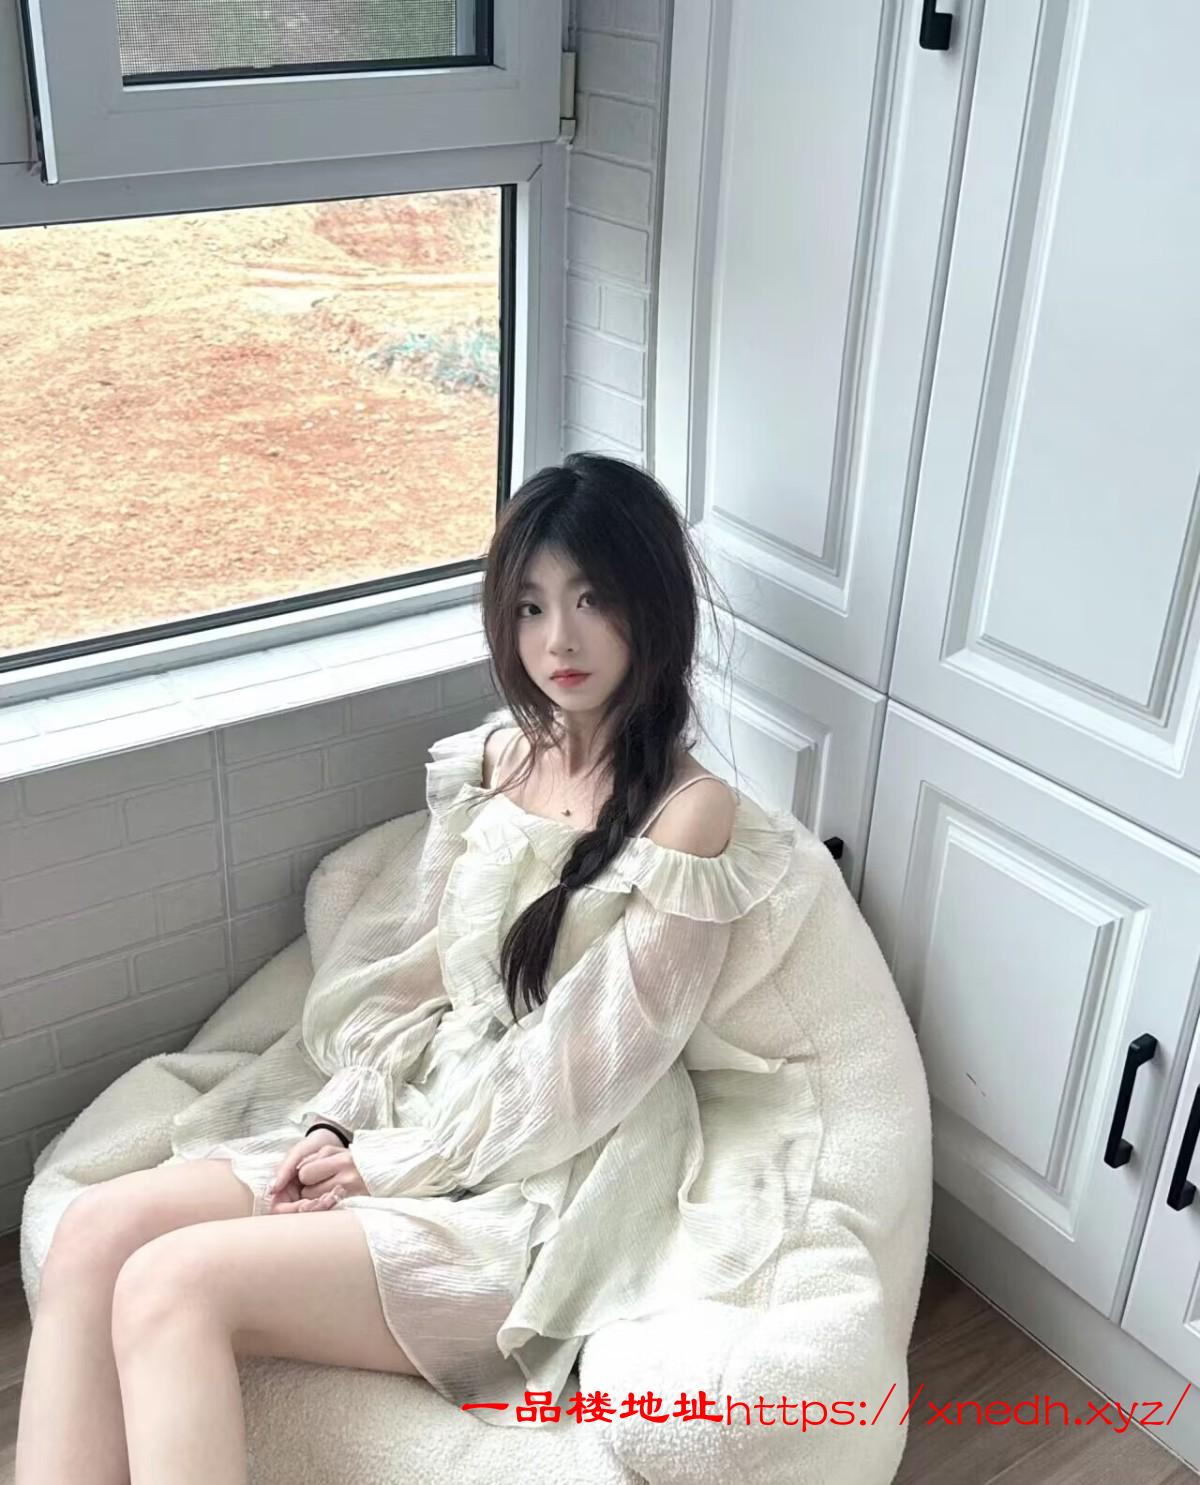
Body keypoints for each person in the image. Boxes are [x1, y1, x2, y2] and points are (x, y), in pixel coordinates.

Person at [15, 452, 814, 1483]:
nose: (558, 640)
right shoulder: (499, 760)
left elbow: (589, 1076)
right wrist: (336, 1124)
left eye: (592, 600)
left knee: (173, 1285)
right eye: (529, 607)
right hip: (413, 1113)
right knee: (94, 1231)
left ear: (652, 605)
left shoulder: (690, 819)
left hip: (533, 1183)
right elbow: (410, 983)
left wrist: (394, 1165)